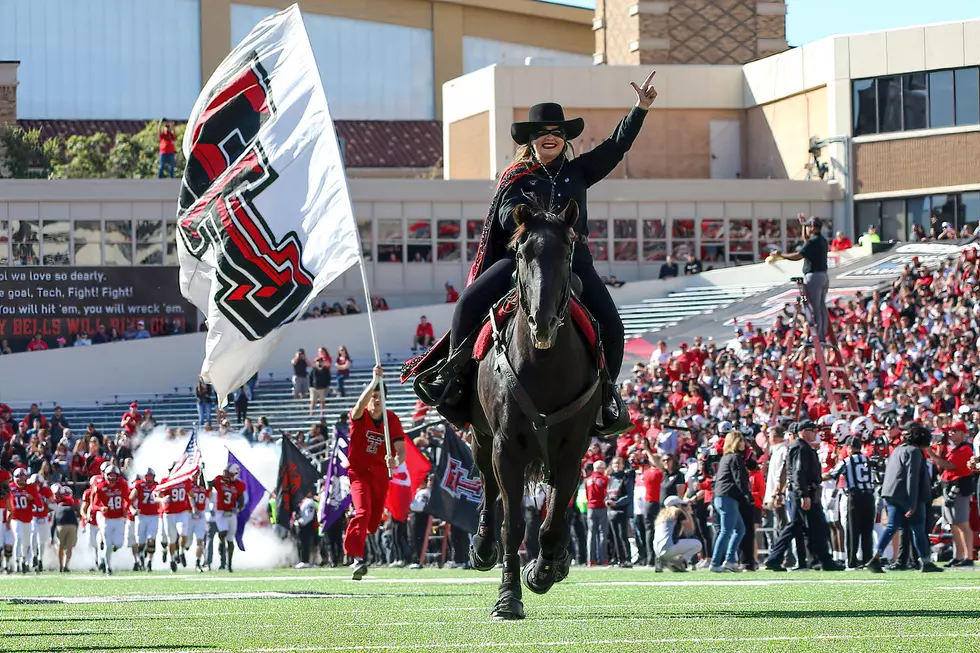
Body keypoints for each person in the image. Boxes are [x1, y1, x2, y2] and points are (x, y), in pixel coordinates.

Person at [418, 70, 658, 435]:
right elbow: (504, 213)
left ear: (565, 140)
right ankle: (454, 376)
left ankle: (606, 394)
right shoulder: (516, 177)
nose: (550, 138)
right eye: (543, 134)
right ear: (530, 141)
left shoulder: (579, 172)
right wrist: (521, 217)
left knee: (613, 325)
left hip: (573, 262)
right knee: (468, 301)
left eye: (557, 133)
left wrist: (639, 108)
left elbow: (616, 146)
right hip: (522, 260)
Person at [345, 366, 407, 580]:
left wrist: (395, 461)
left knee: (372, 523)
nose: (376, 400)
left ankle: (359, 549)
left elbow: (401, 451)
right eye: (373, 396)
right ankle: (357, 558)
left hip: (380, 475)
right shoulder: (360, 415)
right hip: (359, 473)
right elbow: (359, 406)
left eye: (380, 396)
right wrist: (374, 381)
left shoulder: (392, 420)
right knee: (361, 513)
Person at [764, 421, 842, 572]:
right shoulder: (801, 448)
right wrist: (803, 494)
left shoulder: (799, 447)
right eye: (813, 431)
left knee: (807, 526)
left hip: (803, 492)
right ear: (804, 431)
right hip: (805, 492)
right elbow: (798, 472)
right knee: (805, 526)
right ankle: (776, 558)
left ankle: (821, 560)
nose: (815, 434)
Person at [866, 423, 942, 573]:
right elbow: (911, 477)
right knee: (918, 528)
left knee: (891, 527)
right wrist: (912, 502)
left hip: (891, 493)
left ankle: (876, 557)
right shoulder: (914, 451)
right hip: (907, 495)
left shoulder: (898, 449)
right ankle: (925, 562)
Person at [770, 215, 830, 343]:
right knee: (820, 307)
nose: (807, 228)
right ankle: (821, 335)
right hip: (823, 276)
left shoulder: (813, 241)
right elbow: (806, 240)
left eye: (808, 226)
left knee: (814, 308)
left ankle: (818, 338)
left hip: (813, 277)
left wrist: (780, 255)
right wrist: (803, 225)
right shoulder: (821, 240)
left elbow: (798, 255)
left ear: (813, 227)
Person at [928, 421, 975, 567]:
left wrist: (931, 454)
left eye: (954, 431)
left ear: (962, 433)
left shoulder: (965, 449)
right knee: (953, 523)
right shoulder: (954, 449)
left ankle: (968, 556)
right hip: (949, 487)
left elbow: (950, 466)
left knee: (962, 523)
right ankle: (958, 555)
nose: (951, 434)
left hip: (959, 488)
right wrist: (938, 451)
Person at [826, 436, 874, 570]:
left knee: (852, 530)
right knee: (867, 531)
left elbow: (832, 474)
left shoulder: (846, 461)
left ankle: (852, 562)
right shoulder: (868, 460)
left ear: (849, 448)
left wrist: (818, 477)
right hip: (869, 496)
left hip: (855, 496)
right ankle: (867, 561)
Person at [711, 431, 749, 573]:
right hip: (727, 497)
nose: (743, 443)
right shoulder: (735, 458)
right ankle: (715, 562)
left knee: (739, 530)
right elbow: (740, 479)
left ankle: (730, 561)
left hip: (721, 497)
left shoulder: (726, 458)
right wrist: (747, 495)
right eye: (741, 440)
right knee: (727, 531)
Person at [211, 463, 246, 572]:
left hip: (231, 514)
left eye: (228, 474)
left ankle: (229, 564)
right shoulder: (218, 480)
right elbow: (206, 485)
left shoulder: (239, 485)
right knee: (223, 532)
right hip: (221, 512)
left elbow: (241, 501)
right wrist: (202, 474)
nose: (225, 475)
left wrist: (238, 509)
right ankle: (222, 556)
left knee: (230, 539)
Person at [653, 495, 701, 572]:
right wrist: (688, 513)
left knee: (673, 548)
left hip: (657, 550)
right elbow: (691, 528)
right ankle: (681, 560)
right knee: (698, 544)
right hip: (668, 548)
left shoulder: (661, 514)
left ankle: (666, 561)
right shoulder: (677, 511)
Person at [584, 461, 609, 566]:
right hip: (601, 507)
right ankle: (603, 559)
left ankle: (591, 560)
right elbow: (606, 493)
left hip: (590, 507)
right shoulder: (605, 479)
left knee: (591, 534)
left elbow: (586, 494)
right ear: (602, 468)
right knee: (602, 533)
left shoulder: (587, 480)